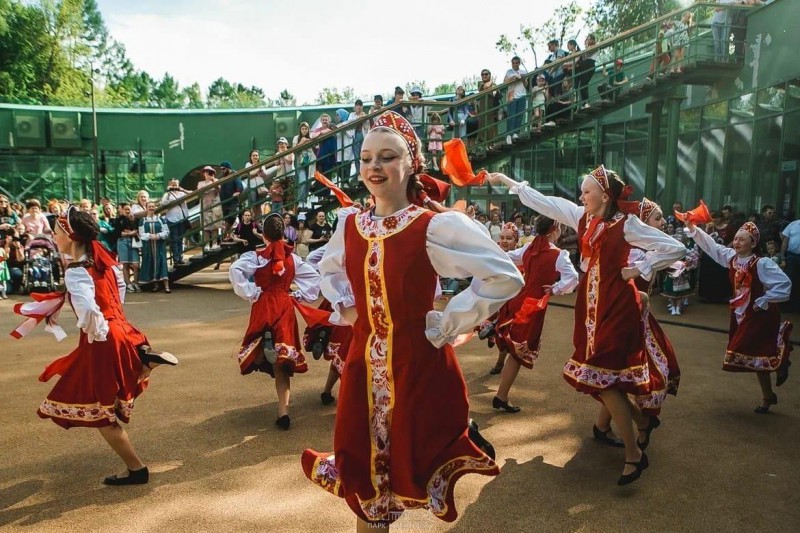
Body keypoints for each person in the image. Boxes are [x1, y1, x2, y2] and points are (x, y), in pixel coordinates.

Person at [302, 111, 523, 529]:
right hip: (362, 366)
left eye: (387, 156)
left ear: (410, 163)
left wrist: (448, 321)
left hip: (416, 369)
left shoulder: (432, 227)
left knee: (405, 462)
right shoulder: (350, 223)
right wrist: (347, 306)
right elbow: (327, 268)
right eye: (366, 158)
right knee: (364, 477)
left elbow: (504, 274)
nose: (374, 167)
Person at [489, 165, 684, 485]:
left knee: (601, 376)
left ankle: (634, 454)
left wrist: (640, 269)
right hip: (591, 310)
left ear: (605, 195)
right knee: (597, 376)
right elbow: (543, 202)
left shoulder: (627, 225)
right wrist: (506, 181)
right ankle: (641, 422)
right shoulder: (582, 216)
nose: (581, 195)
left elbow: (673, 248)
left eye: (587, 190)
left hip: (618, 308)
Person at [10, 206, 177, 485]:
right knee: (104, 402)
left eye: (58, 230)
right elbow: (120, 285)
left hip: (101, 338)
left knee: (100, 411)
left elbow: (88, 309)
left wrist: (97, 331)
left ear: (71, 236)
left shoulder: (76, 271)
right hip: (122, 328)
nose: (54, 234)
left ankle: (136, 469)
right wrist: (111, 318)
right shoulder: (103, 261)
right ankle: (142, 360)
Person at [592, 198, 684, 451]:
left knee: (619, 375)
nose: (663, 222)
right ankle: (639, 423)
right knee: (619, 375)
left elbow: (676, 258)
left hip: (639, 320)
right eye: (657, 218)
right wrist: (635, 289)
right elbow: (613, 278)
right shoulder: (630, 250)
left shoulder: (649, 250)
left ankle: (604, 425)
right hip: (624, 320)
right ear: (642, 223)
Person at [686, 219, 792, 413]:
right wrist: (693, 229)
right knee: (757, 354)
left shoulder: (762, 263)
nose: (736, 243)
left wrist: (765, 299)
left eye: (742, 240)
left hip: (760, 313)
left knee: (744, 350)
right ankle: (768, 395)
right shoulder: (731, 258)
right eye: (735, 239)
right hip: (741, 313)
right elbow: (712, 246)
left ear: (753, 243)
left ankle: (780, 360)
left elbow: (784, 284)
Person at [228, 213, 320, 429]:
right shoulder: (292, 258)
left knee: (257, 344)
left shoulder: (256, 256)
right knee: (283, 360)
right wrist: (297, 295)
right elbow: (314, 278)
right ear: (283, 233)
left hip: (263, 303)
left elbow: (235, 270)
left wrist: (253, 291)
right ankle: (283, 412)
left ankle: (263, 351)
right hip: (284, 304)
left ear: (264, 235)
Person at [492, 215, 579, 413]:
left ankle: (501, 395)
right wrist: (556, 289)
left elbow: (507, 257)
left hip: (519, 299)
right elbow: (572, 278)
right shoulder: (558, 254)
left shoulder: (528, 248)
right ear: (554, 230)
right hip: (533, 306)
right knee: (518, 352)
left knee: (515, 350)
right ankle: (501, 396)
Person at [138, 201, 171, 294]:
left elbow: (166, 231)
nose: (151, 208)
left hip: (159, 245)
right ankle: (155, 285)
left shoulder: (161, 219)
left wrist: (158, 235)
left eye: (153, 207)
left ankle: (167, 286)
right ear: (146, 208)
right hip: (148, 246)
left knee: (162, 262)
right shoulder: (143, 220)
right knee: (151, 263)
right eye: (149, 207)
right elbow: (141, 234)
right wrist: (150, 236)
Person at [160, 179, 190, 265]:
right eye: (172, 185)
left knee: (180, 239)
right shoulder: (167, 194)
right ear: (169, 185)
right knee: (174, 239)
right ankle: (176, 259)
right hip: (172, 219)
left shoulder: (182, 193)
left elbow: (192, 193)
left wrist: (182, 189)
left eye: (176, 184)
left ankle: (180, 257)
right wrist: (169, 195)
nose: (174, 186)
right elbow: (163, 203)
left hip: (182, 219)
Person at [115, 203, 141, 293]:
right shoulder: (118, 220)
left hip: (134, 241)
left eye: (128, 209)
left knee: (136, 265)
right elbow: (118, 233)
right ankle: (128, 283)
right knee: (125, 264)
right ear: (121, 210)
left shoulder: (134, 219)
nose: (127, 211)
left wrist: (129, 232)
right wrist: (130, 233)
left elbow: (137, 230)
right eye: (125, 209)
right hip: (122, 241)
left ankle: (136, 283)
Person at [197, 166, 224, 251]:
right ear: (204, 174)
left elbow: (219, 190)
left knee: (215, 225)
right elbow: (199, 192)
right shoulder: (200, 183)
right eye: (206, 172)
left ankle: (215, 243)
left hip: (215, 204)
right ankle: (207, 244)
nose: (208, 173)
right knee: (206, 226)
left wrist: (213, 181)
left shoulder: (216, 181)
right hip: (205, 205)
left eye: (209, 172)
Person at [503, 56, 529, 144]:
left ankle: (515, 133)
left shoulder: (524, 72)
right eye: (513, 63)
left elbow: (526, 85)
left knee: (519, 115)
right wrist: (513, 77)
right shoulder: (509, 72)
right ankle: (509, 135)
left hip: (522, 95)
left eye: (516, 63)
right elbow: (505, 82)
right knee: (511, 116)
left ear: (519, 63)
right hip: (512, 96)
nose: (515, 64)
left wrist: (522, 78)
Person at [218, 161, 243, 240]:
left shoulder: (234, 174)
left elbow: (239, 184)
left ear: (228, 168)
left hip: (232, 200)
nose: (222, 170)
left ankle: (225, 234)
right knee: (226, 219)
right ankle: (227, 235)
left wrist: (238, 191)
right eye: (221, 169)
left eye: (223, 169)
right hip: (224, 201)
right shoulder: (221, 176)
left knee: (232, 216)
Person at [293, 123, 316, 205]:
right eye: (303, 129)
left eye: (306, 129)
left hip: (310, 162)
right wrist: (302, 142)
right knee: (302, 181)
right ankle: (301, 201)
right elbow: (294, 150)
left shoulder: (311, 136)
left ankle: (305, 201)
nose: (304, 130)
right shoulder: (296, 138)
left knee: (308, 182)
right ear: (300, 130)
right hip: (300, 162)